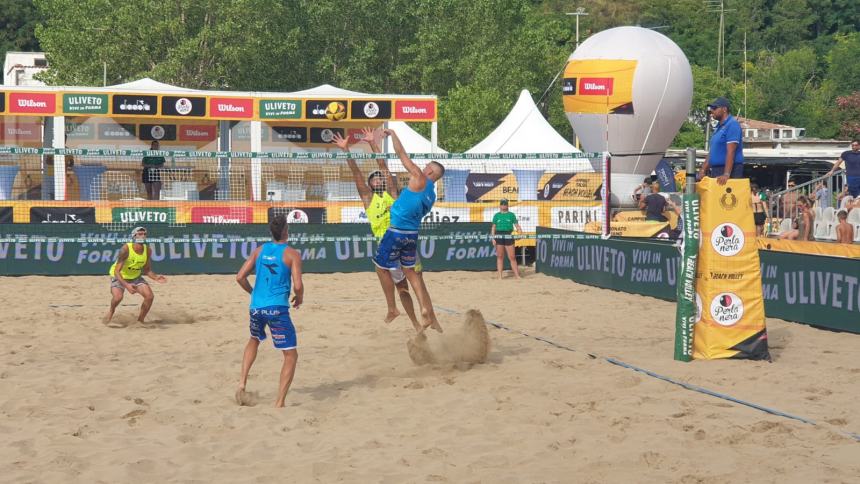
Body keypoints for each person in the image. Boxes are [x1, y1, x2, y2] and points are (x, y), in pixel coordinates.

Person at [331, 127, 423, 332]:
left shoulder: (392, 193)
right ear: (370, 185)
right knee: (402, 289)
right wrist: (346, 150)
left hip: (399, 241)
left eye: (379, 177)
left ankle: (419, 311)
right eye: (373, 179)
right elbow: (356, 174)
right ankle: (416, 324)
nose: (377, 179)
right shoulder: (368, 199)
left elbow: (382, 165)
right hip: (386, 245)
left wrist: (373, 143)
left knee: (414, 280)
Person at [372, 128, 445, 332]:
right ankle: (424, 309)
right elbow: (410, 205)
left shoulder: (420, 178)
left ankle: (392, 308)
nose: (422, 167)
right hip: (412, 235)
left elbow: (401, 154)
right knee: (411, 273)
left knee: (380, 266)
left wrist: (393, 134)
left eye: (426, 166)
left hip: (396, 231)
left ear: (430, 172)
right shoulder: (431, 193)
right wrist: (396, 205)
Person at [235, 214, 303, 408]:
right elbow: (297, 285)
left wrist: (253, 293)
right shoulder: (292, 253)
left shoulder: (260, 250)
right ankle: (279, 402)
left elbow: (239, 277)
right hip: (277, 308)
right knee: (290, 355)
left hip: (256, 307)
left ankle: (242, 383)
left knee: (254, 339)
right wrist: (300, 297)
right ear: (286, 231)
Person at [105, 226, 167, 324]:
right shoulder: (125, 249)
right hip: (119, 275)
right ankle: (111, 310)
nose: (143, 236)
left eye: (144, 234)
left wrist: (155, 277)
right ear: (134, 236)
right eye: (140, 234)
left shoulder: (147, 250)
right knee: (118, 297)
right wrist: (127, 285)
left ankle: (140, 321)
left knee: (149, 296)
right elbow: (117, 271)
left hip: (135, 276)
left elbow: (147, 270)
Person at [699, 97, 744, 185]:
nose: (712, 111)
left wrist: (726, 174)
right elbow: (712, 152)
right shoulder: (718, 128)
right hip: (716, 170)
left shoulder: (732, 124)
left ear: (724, 109)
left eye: (715, 108)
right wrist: (703, 169)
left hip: (730, 171)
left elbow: (731, 151)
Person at [490, 198, 523, 279]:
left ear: (507, 205)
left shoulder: (511, 215)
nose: (504, 205)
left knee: (512, 257)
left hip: (509, 235)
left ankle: (517, 276)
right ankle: (500, 276)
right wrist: (493, 238)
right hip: (499, 236)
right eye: (502, 204)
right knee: (500, 257)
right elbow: (493, 228)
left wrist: (520, 233)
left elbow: (517, 226)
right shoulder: (496, 215)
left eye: (505, 204)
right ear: (500, 205)